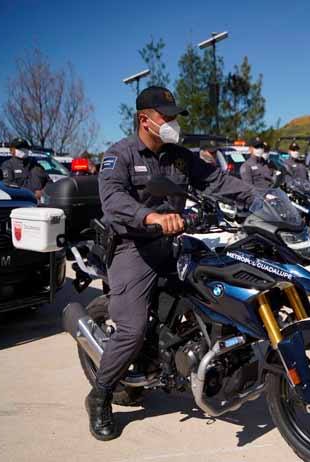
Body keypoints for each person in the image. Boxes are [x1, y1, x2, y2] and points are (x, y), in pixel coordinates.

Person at [91, 86, 254, 441]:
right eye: (167, 116)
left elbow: (216, 179)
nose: (173, 123)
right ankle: (100, 394)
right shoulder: (119, 155)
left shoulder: (179, 157)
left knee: (220, 289)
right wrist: (150, 217)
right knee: (132, 329)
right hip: (134, 247)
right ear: (144, 120)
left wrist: (259, 196)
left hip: (174, 243)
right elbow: (113, 199)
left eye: (175, 116)